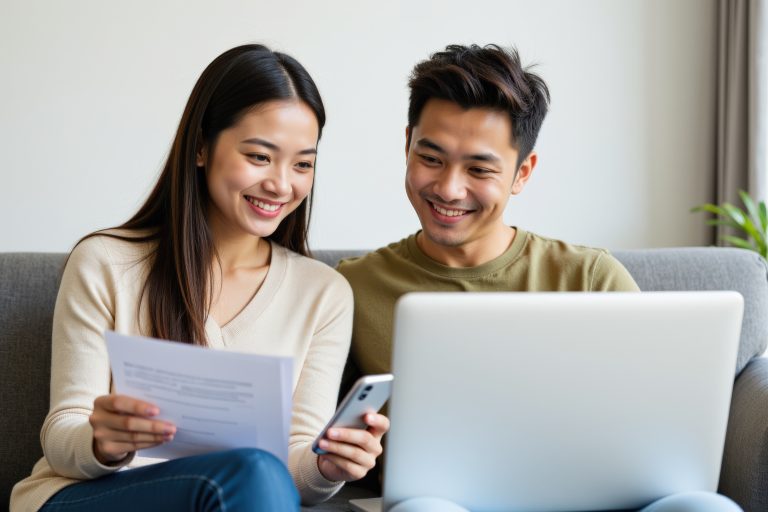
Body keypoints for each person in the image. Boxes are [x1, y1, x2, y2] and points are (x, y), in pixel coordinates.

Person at [337, 44, 741, 512]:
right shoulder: (355, 285)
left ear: (522, 172)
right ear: (407, 144)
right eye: (431, 159)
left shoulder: (590, 276)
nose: (448, 188)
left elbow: (660, 425)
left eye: (479, 169)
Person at [10, 44, 388, 512]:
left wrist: (328, 466)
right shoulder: (105, 262)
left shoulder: (324, 293)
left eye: (303, 164)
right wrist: (104, 441)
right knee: (253, 471)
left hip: (240, 496)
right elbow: (63, 432)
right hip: (92, 497)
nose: (282, 184)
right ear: (202, 147)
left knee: (258, 474)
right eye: (259, 156)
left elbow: (291, 475)